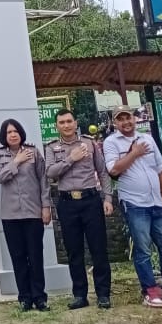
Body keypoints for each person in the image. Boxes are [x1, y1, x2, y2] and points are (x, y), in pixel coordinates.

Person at [104, 105, 162, 308]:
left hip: (156, 202)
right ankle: (150, 290)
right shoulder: (111, 142)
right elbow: (113, 169)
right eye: (121, 119)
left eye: (129, 118)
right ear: (115, 123)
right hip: (134, 203)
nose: (126, 122)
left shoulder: (148, 138)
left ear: (135, 119)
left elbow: (161, 168)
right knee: (143, 249)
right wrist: (134, 153)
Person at [45, 109, 113, 310]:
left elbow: (102, 172)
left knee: (98, 249)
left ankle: (103, 294)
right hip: (67, 203)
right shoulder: (52, 147)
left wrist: (107, 198)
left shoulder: (90, 143)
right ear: (57, 126)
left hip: (90, 200)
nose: (66, 125)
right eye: (61, 122)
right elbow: (50, 173)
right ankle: (80, 295)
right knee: (74, 251)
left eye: (69, 121)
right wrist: (70, 158)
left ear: (75, 123)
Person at [0, 119, 52, 312]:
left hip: (33, 212)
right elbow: (0, 177)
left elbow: (44, 180)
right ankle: (24, 297)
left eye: (16, 131)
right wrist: (16, 161)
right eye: (9, 132)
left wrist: (46, 207)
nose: (13, 134)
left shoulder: (33, 152)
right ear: (4, 136)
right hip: (11, 215)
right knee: (18, 257)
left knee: (35, 256)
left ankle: (39, 297)